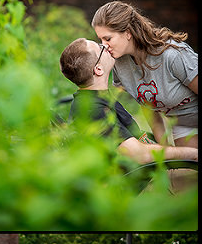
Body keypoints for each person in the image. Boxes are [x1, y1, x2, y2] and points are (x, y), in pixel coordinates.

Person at [59, 37, 199, 167]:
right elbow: (138, 154)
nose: (106, 46)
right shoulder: (92, 109)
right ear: (98, 69)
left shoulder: (96, 98)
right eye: (100, 47)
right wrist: (191, 154)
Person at [91, 1, 198, 147]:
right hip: (181, 122)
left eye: (108, 38)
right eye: (101, 39)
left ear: (128, 33)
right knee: (184, 167)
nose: (104, 45)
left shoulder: (171, 55)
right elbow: (147, 103)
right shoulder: (119, 63)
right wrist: (164, 150)